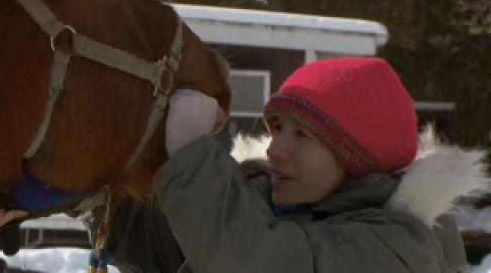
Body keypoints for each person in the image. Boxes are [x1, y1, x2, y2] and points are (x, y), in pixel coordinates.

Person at [85, 56, 485, 273]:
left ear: (359, 157)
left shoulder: (400, 247)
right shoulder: (264, 208)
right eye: (277, 128)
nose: (275, 148)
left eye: (303, 135)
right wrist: (100, 176)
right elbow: (169, 244)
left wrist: (191, 156)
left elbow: (259, 261)